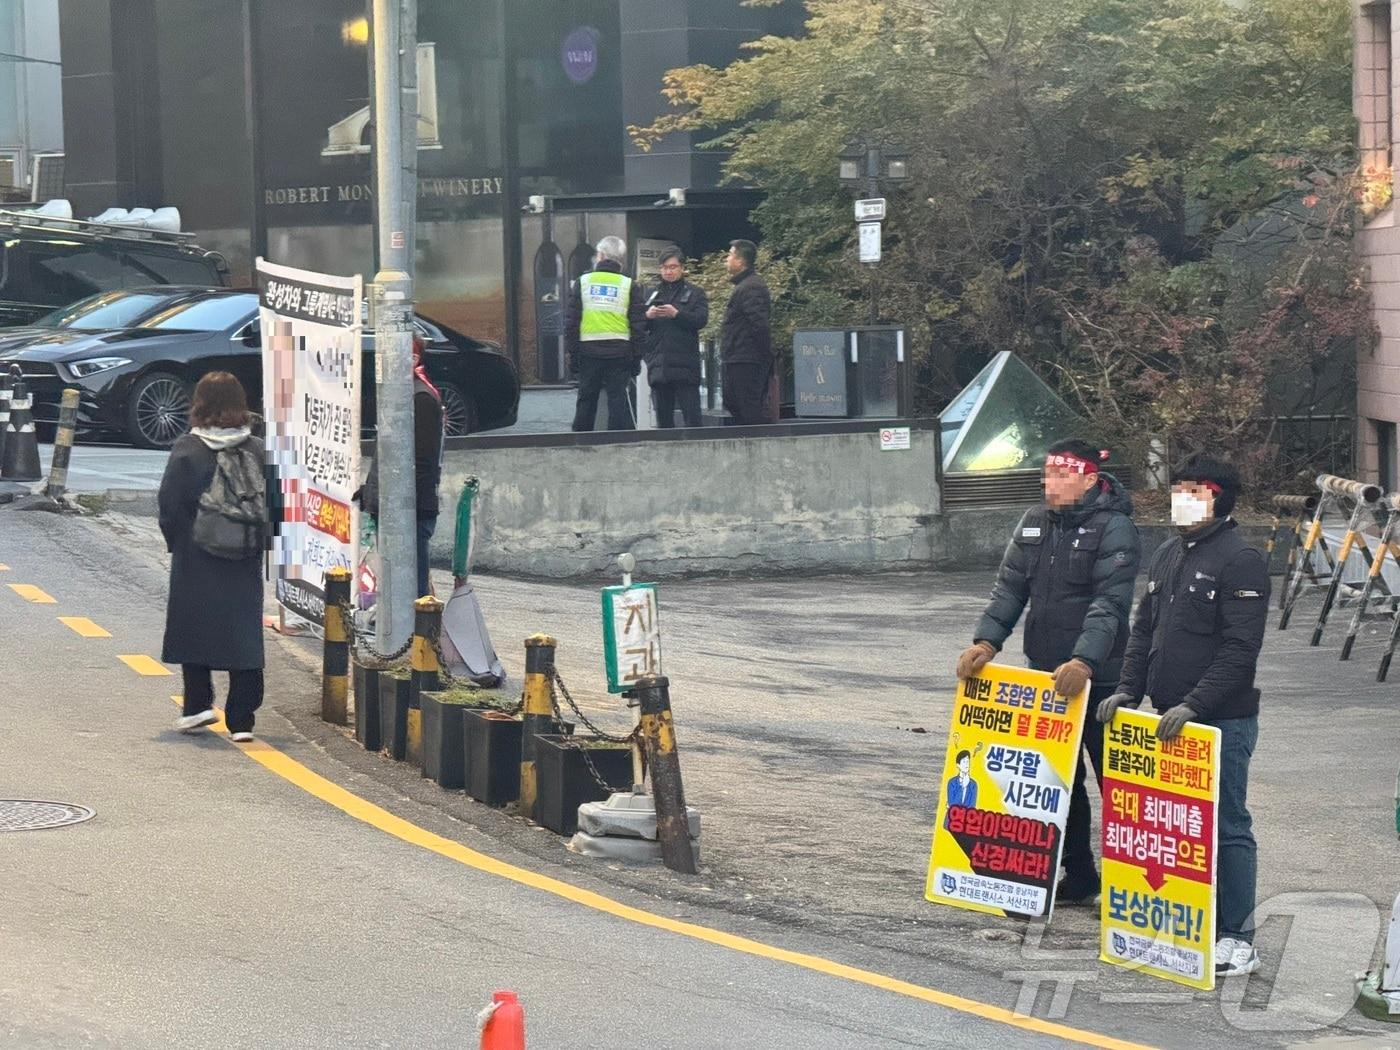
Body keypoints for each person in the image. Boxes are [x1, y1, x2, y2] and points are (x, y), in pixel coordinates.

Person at [1098, 455, 1267, 978]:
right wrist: (1129, 689)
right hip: (1164, 719)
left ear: (1217, 497)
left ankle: (1238, 936)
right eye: (1177, 492)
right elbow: (1144, 629)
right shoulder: (1170, 553)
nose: (1180, 502)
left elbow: (1241, 649)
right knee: (1174, 828)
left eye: (1192, 492)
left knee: (1228, 823)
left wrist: (1197, 703)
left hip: (1221, 721)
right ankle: (1184, 922)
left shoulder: (1241, 560)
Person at [955, 439, 1140, 904]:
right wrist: (986, 641)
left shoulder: (1115, 528)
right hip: (1045, 675)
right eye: (1047, 475)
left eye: (1061, 476)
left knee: (1117, 786)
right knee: (1057, 781)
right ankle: (1079, 875)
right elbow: (1010, 589)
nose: (1049, 484)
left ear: (1090, 480)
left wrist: (1084, 660)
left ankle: (1127, 886)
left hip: (1103, 678)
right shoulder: (1034, 523)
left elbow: (1110, 603)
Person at [159, 372, 266, 743]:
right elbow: (279, 504)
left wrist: (177, 543)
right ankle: (242, 720)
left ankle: (197, 706)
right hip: (245, 556)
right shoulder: (257, 449)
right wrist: (261, 544)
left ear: (199, 404)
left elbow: (170, 505)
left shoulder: (188, 449)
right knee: (244, 633)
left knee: (195, 627)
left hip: (197, 552)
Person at [355, 334, 444, 599]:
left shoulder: (421, 399)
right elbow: (387, 455)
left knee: (409, 592)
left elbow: (422, 463)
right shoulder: (400, 396)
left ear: (413, 359)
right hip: (395, 508)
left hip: (410, 513)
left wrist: (398, 506)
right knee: (396, 589)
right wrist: (370, 492)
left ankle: (416, 639)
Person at [566, 235, 646, 432]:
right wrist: (636, 358)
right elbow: (638, 326)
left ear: (600, 256)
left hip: (588, 351)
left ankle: (580, 444)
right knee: (617, 400)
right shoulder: (629, 285)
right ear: (620, 259)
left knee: (586, 399)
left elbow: (571, 323)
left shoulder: (582, 282)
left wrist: (573, 355)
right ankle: (616, 444)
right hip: (620, 352)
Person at [643, 247, 710, 428]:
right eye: (664, 267)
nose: (668, 271)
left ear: (682, 268)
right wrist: (648, 316)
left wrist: (677, 314)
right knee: (663, 423)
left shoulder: (695, 293)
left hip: (685, 366)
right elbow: (639, 325)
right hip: (659, 365)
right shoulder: (652, 293)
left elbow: (701, 320)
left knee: (692, 420)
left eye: (673, 267)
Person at [719, 239, 773, 426]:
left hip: (747, 357)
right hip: (736, 356)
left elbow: (759, 324)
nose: (726, 259)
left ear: (741, 261)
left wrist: (763, 354)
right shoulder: (744, 286)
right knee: (732, 401)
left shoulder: (752, 287)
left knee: (747, 405)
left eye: (730, 255)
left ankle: (758, 440)